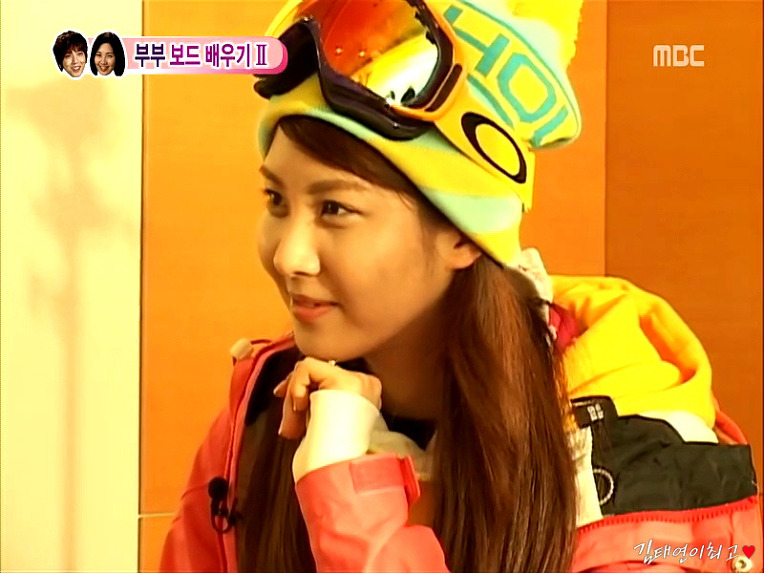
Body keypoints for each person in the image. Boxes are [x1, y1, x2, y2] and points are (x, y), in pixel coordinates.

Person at [160, 1, 763, 572]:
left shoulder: (644, 463)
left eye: (335, 209)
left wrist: (346, 497)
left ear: (463, 234)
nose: (288, 254)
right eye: (276, 199)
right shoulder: (267, 411)